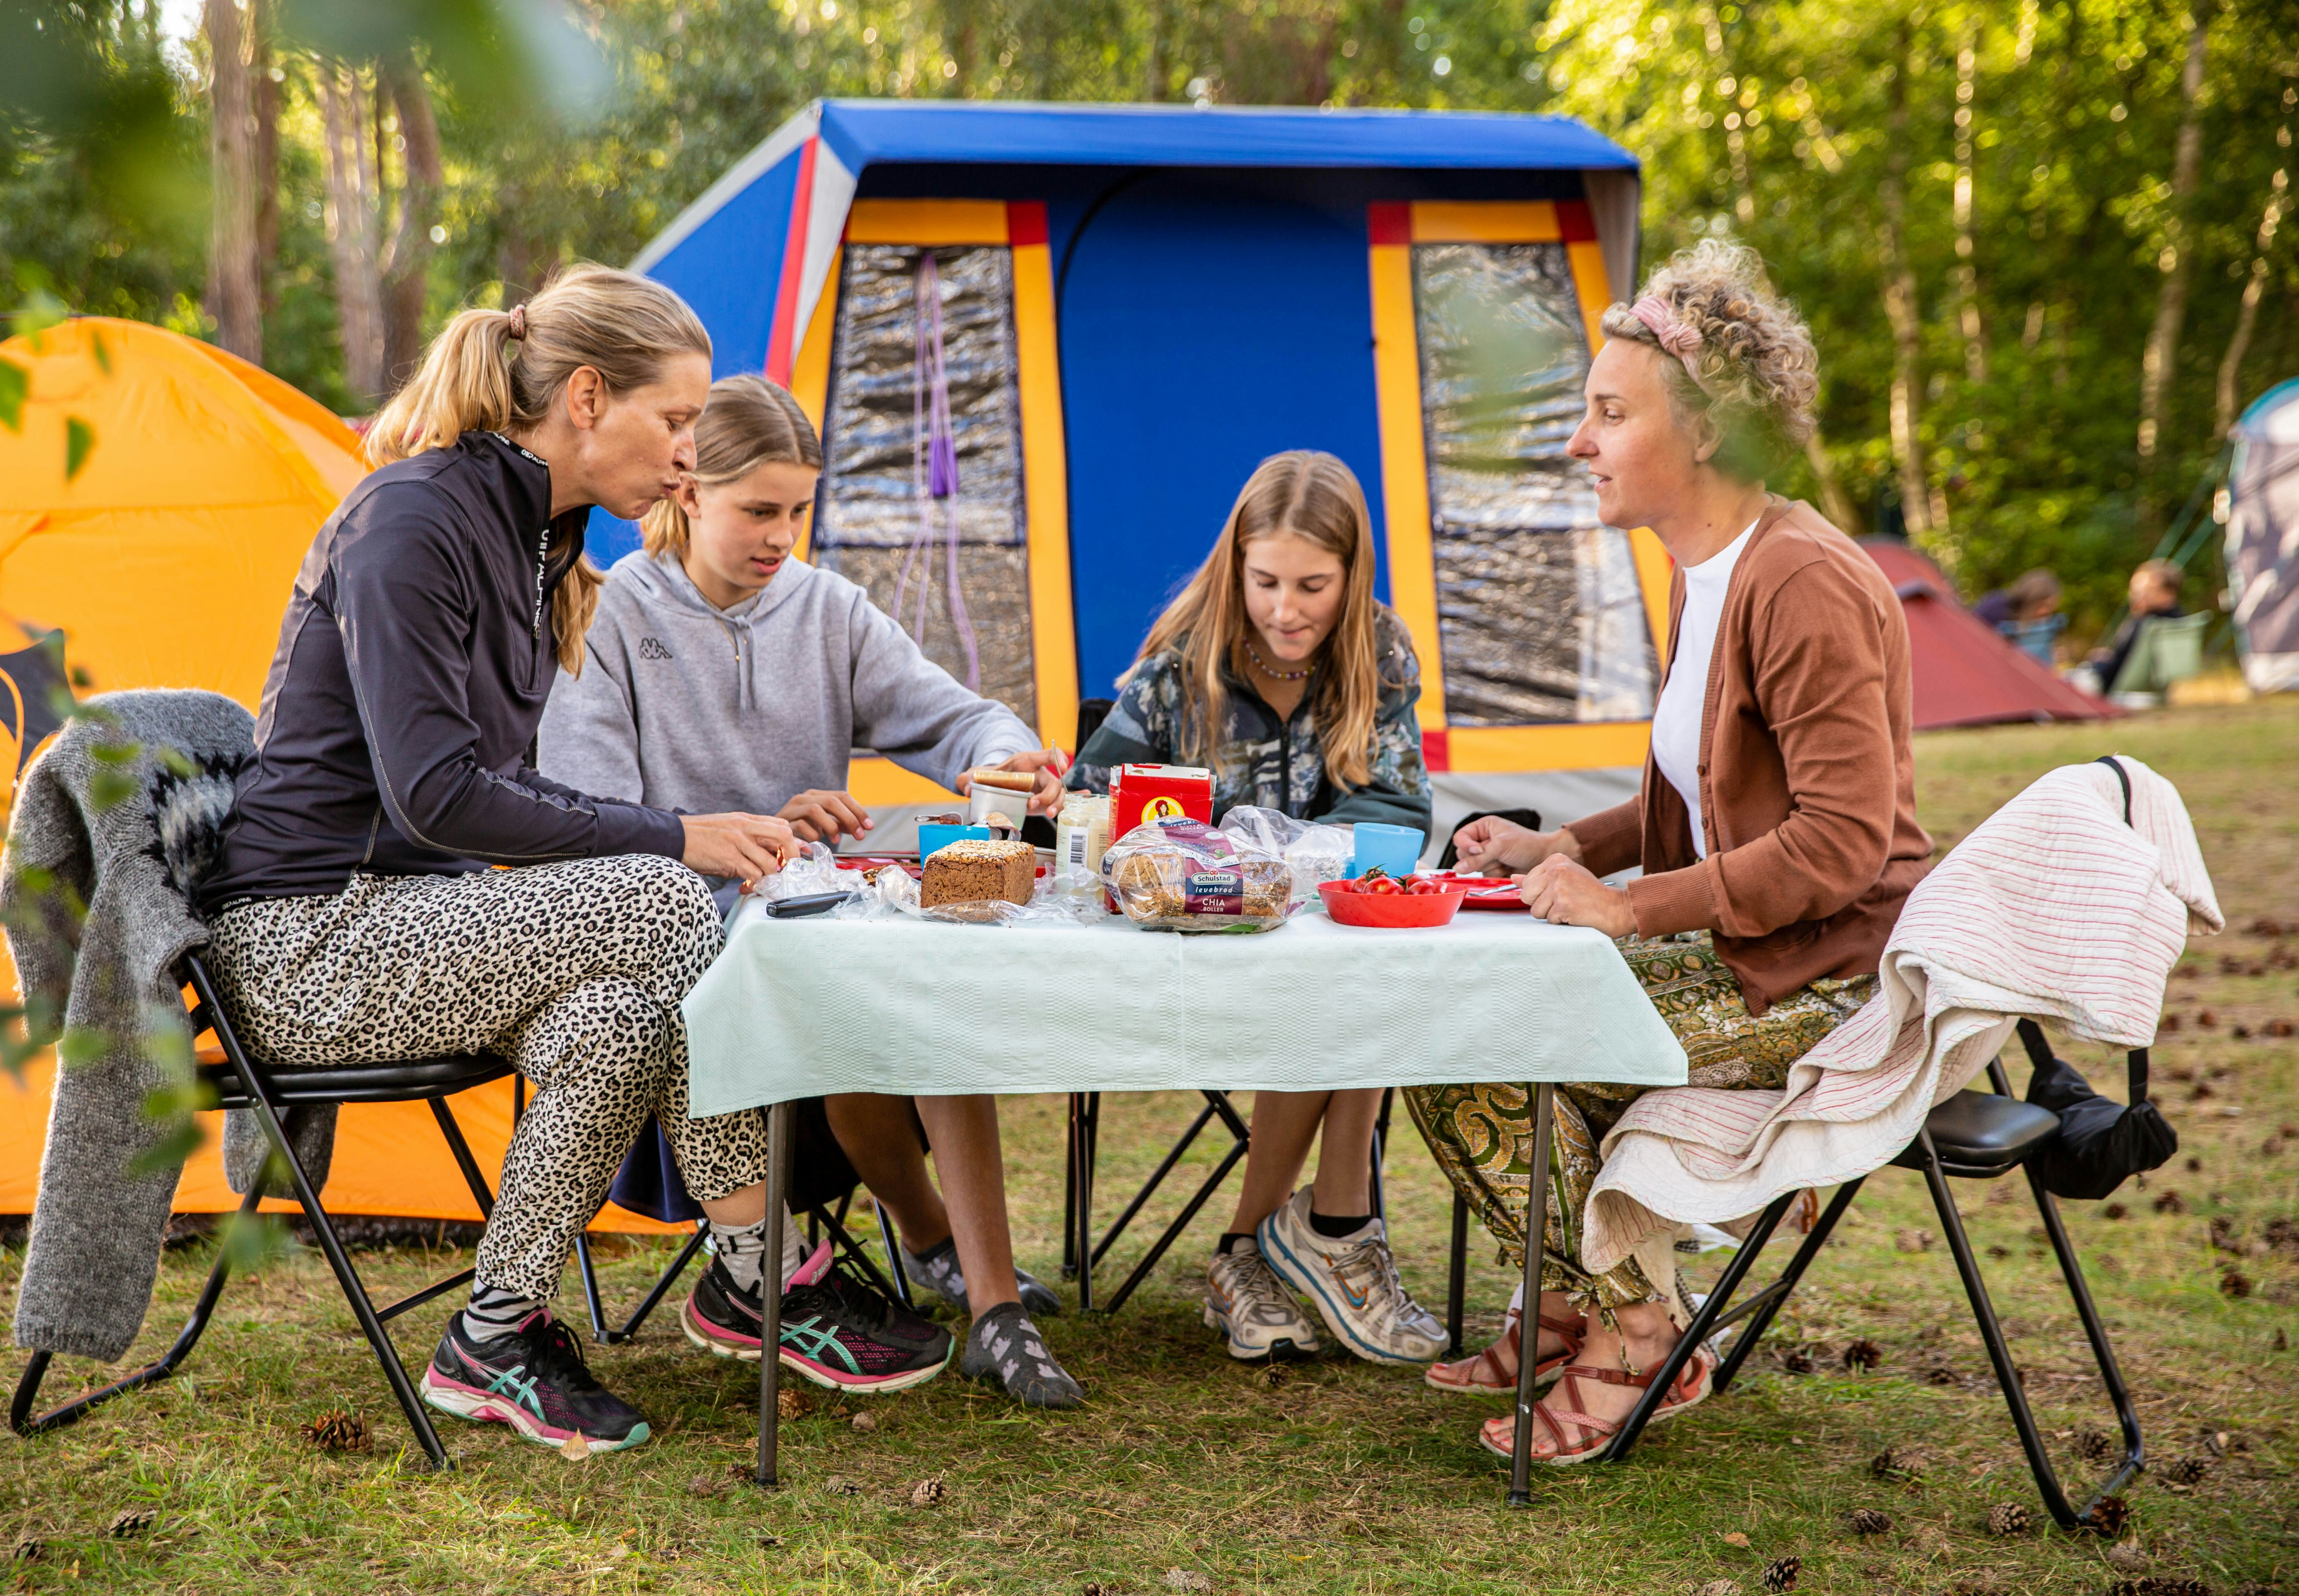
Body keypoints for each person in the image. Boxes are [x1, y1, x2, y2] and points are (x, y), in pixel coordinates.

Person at [193, 266, 954, 1458]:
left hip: (408, 920)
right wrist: (676, 834)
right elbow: (435, 794)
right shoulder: (414, 519)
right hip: (304, 942)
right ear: (588, 397)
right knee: (660, 897)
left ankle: (493, 1332)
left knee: (620, 1023)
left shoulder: (530, 540)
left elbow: (517, 786)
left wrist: (698, 822)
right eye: (678, 420)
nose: (692, 457)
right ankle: (762, 1273)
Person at [1417, 240, 1932, 1464]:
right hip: (1748, 947)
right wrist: (1563, 843)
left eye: (1606, 412)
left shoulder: (1797, 581)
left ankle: (1639, 1330)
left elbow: (1842, 841)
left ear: (1699, 432)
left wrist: (1628, 906)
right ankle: (1566, 1307)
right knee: (1448, 1008)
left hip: (1830, 979)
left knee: (1473, 1039)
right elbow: (1687, 787)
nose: (1575, 442)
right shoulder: (1700, 572)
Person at [538, 373, 1083, 1408]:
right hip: (682, 949)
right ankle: (941, 1253)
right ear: (689, 488)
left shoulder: (827, 609)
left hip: (815, 929)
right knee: (864, 980)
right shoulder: (608, 618)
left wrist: (1007, 759)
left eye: (798, 511)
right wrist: (760, 835)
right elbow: (591, 824)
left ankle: (988, 1301)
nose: (780, 536)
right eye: (758, 510)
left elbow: (958, 720)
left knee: (928, 962)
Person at [1067, 450, 1447, 1368]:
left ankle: (1259, 1248)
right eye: (1265, 580)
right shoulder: (1176, 670)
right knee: (1345, 976)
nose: (1285, 608)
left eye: (1313, 584)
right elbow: (1090, 803)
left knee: (1349, 966)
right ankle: (1323, 1227)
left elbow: (1399, 812)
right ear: (1234, 568)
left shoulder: (1379, 653)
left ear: (1352, 576)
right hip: (1183, 961)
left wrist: (1282, 855)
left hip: (1309, 960)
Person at [2085, 559, 2186, 694]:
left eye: (2146, 590)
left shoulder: (2150, 624)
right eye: (2135, 591)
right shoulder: (2180, 621)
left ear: (2168, 593)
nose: (2136, 596)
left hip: (2111, 685)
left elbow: (2122, 665)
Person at [1972, 568, 2063, 664]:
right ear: (2032, 598)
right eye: (2044, 606)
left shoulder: (2036, 627)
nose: (2045, 613)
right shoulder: (1997, 606)